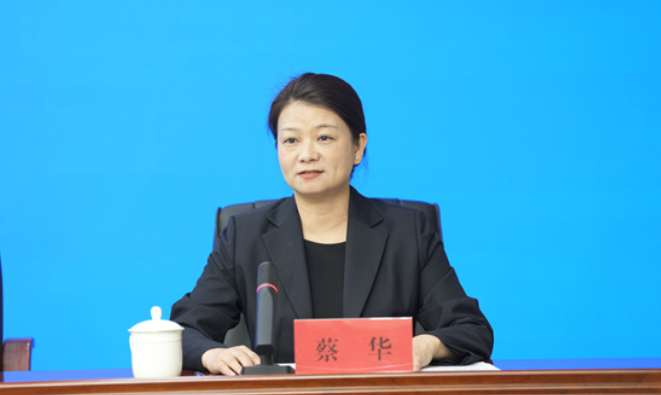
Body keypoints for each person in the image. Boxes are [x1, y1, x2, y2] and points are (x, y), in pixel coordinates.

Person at [170, 73, 493, 376]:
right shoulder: (245, 236)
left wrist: (426, 345)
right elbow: (184, 331)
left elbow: (471, 329)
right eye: (291, 140)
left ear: (358, 147)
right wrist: (212, 355)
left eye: (324, 137)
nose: (306, 154)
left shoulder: (407, 233)